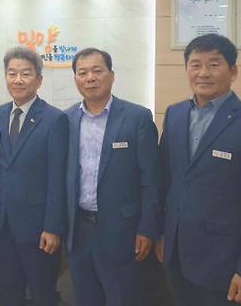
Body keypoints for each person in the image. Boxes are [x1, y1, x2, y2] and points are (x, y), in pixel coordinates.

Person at [156, 34, 241, 306]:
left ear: (233, 71)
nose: (203, 73)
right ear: (186, 69)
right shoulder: (175, 114)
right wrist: (163, 233)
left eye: (214, 64)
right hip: (176, 255)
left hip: (223, 263)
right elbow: (167, 181)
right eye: (195, 64)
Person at [64, 47, 162, 306]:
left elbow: (152, 179)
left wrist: (148, 228)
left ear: (112, 75)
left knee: (123, 297)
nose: (90, 78)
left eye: (97, 71)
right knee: (85, 297)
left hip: (123, 231)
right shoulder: (67, 119)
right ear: (75, 79)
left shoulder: (137, 118)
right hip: (79, 230)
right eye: (82, 73)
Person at [0, 47, 68, 306]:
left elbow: (58, 179)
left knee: (42, 292)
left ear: (39, 80)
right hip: (3, 224)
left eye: (25, 73)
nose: (18, 80)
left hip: (38, 229)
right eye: (12, 73)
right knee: (9, 290)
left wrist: (53, 227)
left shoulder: (55, 119)